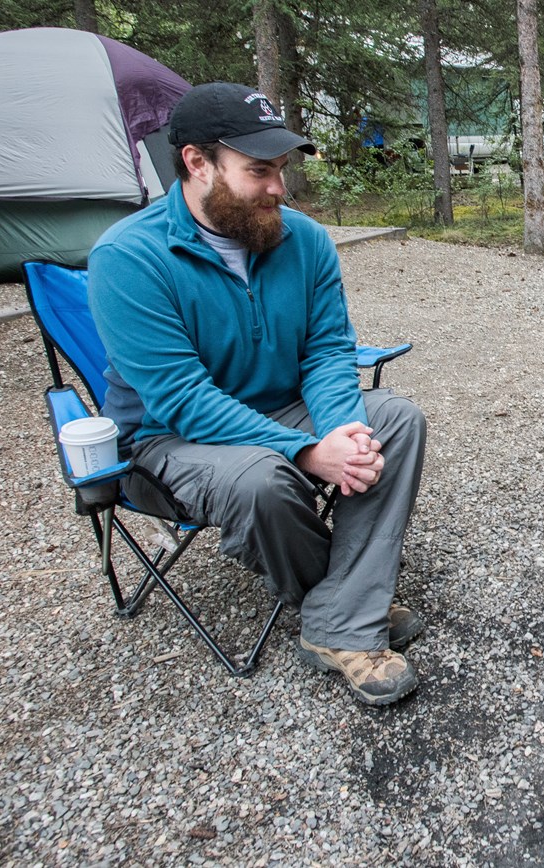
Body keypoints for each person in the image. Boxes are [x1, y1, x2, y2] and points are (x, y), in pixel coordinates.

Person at [88, 83, 427, 706]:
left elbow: (326, 351)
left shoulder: (303, 240)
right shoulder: (128, 258)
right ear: (197, 163)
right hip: (171, 438)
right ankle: (355, 610)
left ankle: (336, 619)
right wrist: (305, 452)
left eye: (281, 170)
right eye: (259, 171)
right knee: (262, 478)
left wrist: (342, 432)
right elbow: (182, 399)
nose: (279, 188)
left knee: (396, 421)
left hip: (279, 406)